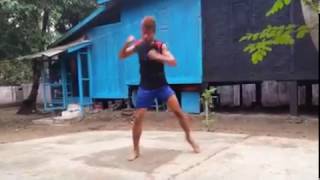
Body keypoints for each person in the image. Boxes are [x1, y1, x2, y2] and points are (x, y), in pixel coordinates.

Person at [119, 16, 200, 161]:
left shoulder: (160, 46)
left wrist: (157, 56)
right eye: (143, 32)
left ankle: (189, 138)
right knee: (138, 118)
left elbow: (173, 61)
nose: (144, 35)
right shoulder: (138, 45)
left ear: (153, 32)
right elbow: (122, 55)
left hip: (162, 86)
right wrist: (125, 44)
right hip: (145, 88)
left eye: (147, 33)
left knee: (179, 113)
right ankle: (136, 150)